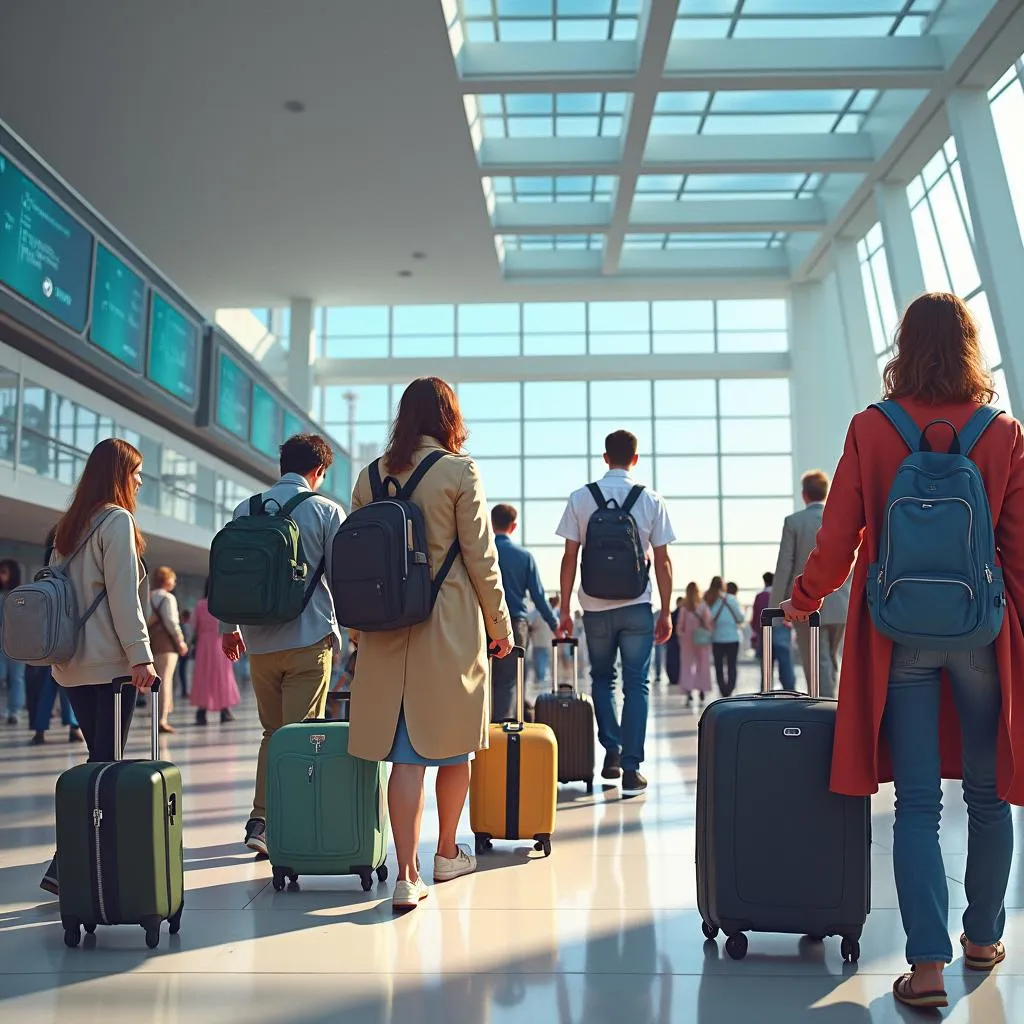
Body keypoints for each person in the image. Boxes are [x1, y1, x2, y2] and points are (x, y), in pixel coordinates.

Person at [780, 293, 1024, 1009]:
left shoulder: (872, 427)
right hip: (981, 632)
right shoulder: (1002, 433)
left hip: (899, 635)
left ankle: (925, 969)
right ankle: (982, 936)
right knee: (987, 794)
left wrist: (802, 596)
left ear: (903, 346)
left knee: (916, 803)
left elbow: (840, 540)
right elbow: (1017, 550)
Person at [347, 377, 513, 912]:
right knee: (453, 744)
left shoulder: (369, 477)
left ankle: (405, 874)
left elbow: (354, 565)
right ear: (448, 418)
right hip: (447, 626)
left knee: (404, 757)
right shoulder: (459, 471)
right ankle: (446, 853)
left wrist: (357, 634)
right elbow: (481, 557)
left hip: (383, 630)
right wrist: (500, 626)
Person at [41, 437, 159, 895]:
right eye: (136, 472)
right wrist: (141, 657)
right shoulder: (116, 521)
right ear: (118, 476)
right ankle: (71, 860)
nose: (140, 480)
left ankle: (78, 859)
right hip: (109, 666)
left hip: (70, 664)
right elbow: (124, 598)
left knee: (99, 760)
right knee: (106, 764)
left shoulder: (68, 526)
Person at [220, 434, 345, 858]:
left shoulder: (246, 508)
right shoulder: (326, 511)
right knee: (302, 737)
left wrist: (229, 627)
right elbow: (343, 579)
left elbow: (228, 573)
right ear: (319, 471)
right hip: (309, 638)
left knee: (272, 734)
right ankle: (293, 823)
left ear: (281, 465)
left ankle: (261, 820)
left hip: (258, 642)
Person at [556, 429, 675, 797]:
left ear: (605, 457)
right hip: (638, 606)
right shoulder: (651, 500)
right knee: (636, 684)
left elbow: (570, 557)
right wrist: (666, 611)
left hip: (594, 606)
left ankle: (611, 749)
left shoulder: (581, 497)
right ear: (635, 459)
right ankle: (631, 768)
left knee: (602, 679)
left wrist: (564, 609)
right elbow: (664, 562)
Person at [771, 469, 851, 699]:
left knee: (816, 662)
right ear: (826, 493)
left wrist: (777, 608)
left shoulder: (794, 522)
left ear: (804, 495)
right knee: (831, 660)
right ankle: (834, 704)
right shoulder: (841, 520)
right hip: (841, 603)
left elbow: (785, 564)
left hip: (805, 602)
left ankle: (824, 709)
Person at [490, 503, 558, 721]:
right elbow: (538, 597)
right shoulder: (524, 557)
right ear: (514, 526)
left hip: (483, 622)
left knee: (482, 675)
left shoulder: (482, 553)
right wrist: (555, 624)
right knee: (510, 678)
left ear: (491, 524)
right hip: (515, 624)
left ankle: (481, 728)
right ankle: (502, 729)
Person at [190, 580, 240, 725]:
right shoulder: (224, 604)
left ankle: (201, 712)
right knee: (223, 676)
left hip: (204, 645)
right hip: (221, 644)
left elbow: (194, 626)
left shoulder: (200, 605)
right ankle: (224, 710)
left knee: (203, 677)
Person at [147, 566, 188, 734]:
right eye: (173, 578)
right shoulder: (168, 598)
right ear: (167, 580)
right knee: (165, 680)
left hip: (150, 643)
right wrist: (180, 641)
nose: (175, 582)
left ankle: (154, 716)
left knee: (152, 682)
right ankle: (162, 719)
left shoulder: (146, 597)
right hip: (166, 645)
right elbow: (172, 622)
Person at [706, 576, 744, 698]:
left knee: (718, 666)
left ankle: (723, 690)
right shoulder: (732, 599)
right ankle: (730, 689)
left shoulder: (711, 600)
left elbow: (708, 619)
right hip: (733, 638)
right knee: (732, 665)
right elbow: (741, 618)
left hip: (717, 638)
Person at [676, 582, 712, 706]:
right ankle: (702, 689)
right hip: (701, 640)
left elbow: (679, 628)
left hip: (687, 641)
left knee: (687, 667)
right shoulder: (703, 606)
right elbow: (708, 624)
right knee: (703, 666)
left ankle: (688, 691)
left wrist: (684, 635)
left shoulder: (684, 608)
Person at [0, 558, 26, 724]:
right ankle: (5, 709)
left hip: (17, 643)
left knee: (16, 677)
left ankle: (14, 711)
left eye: (4, 572)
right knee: (1, 675)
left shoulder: (20, 594)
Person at [528, 594, 558, 687]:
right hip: (544, 642)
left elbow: (530, 624)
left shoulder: (537, 612)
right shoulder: (550, 613)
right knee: (542, 664)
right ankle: (541, 681)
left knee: (539, 664)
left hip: (539, 642)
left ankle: (540, 681)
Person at [751, 572, 773, 656]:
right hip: (779, 627)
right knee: (783, 659)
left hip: (763, 629)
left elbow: (756, 614)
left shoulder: (760, 596)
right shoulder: (779, 594)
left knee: (765, 656)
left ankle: (765, 669)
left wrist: (756, 629)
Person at [664, 598, 683, 686]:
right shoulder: (681, 614)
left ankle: (673, 678)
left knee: (672, 660)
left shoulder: (673, 614)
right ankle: (677, 678)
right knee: (678, 660)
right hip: (678, 642)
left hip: (672, 642)